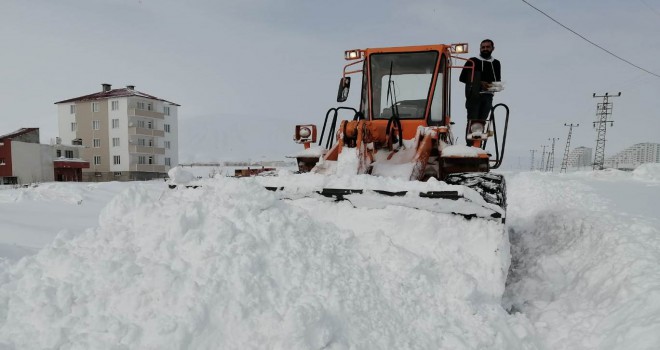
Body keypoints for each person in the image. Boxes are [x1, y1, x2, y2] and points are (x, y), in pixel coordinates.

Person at [459, 39, 502, 121]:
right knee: (473, 123)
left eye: (488, 47)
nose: (485, 49)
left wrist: (494, 86)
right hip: (474, 96)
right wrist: (479, 83)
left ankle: (480, 133)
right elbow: (462, 78)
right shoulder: (472, 61)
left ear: (493, 48)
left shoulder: (496, 63)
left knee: (482, 122)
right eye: (483, 47)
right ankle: (471, 134)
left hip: (488, 96)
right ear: (480, 49)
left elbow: (498, 80)